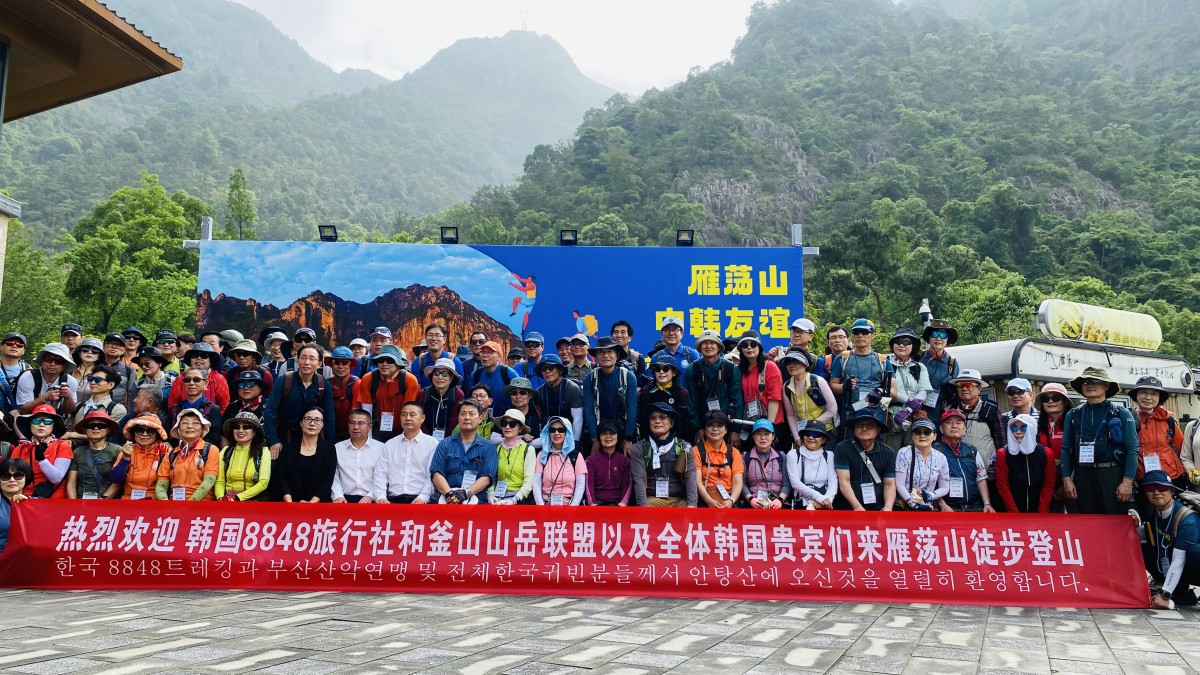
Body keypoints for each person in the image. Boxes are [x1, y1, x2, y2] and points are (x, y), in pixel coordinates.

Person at [1061, 367, 1138, 515]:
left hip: (1111, 474)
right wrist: (1067, 479)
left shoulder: (1121, 413)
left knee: (1114, 521)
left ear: (1106, 385)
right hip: (1082, 475)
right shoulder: (1073, 414)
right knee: (1086, 521)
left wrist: (1127, 482)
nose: (1089, 385)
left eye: (1095, 381)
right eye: (1085, 382)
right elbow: (1065, 448)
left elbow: (1132, 448)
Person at [1134, 470, 1200, 608]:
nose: (1156, 492)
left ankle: (1171, 590)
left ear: (1172, 491)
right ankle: (1182, 593)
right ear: (1145, 493)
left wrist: (1165, 594)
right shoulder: (1153, 510)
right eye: (1151, 488)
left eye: (1162, 488)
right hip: (1175, 562)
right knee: (1143, 549)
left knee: (1194, 551)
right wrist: (1132, 525)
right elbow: (1147, 534)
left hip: (1192, 563)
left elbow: (1179, 559)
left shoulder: (1187, 519)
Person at [265, 343, 336, 460]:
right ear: (297, 361)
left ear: (319, 364)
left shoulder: (323, 384)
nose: (307, 362)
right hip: (285, 437)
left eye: (312, 358)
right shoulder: (284, 381)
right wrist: (273, 441)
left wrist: (328, 444)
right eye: (303, 357)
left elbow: (329, 416)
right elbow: (270, 411)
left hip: (312, 438)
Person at [429, 399, 497, 504]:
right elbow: (436, 472)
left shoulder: (489, 447)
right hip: (446, 499)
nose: (467, 417)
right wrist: (449, 495)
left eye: (471, 414)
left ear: (480, 418)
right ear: (458, 418)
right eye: (463, 414)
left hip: (475, 500)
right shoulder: (444, 444)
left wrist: (465, 493)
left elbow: (487, 477)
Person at [684, 330, 743, 447]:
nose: (708, 346)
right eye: (704, 343)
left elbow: (738, 402)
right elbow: (691, 402)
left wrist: (735, 430)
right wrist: (698, 428)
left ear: (719, 346)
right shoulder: (693, 369)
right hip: (702, 426)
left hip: (726, 426)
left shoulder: (731, 369)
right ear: (700, 347)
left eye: (712, 343)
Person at [630, 402, 697, 507]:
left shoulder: (685, 447)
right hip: (653, 500)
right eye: (653, 418)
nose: (657, 421)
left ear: (672, 423)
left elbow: (690, 478)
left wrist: (692, 506)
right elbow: (639, 480)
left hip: (679, 500)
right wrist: (643, 509)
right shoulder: (639, 448)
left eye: (663, 417)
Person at [1129, 376, 1187, 491]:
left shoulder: (1168, 420)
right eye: (1143, 392)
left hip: (1171, 476)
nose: (1148, 397)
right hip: (1141, 477)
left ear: (1159, 397)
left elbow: (1181, 448)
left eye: (1154, 394)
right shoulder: (1128, 419)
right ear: (1136, 395)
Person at [582, 336, 638, 455]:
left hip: (623, 429)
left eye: (610, 351)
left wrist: (628, 438)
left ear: (617, 355)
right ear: (596, 356)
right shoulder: (589, 379)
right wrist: (594, 439)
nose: (605, 355)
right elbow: (589, 411)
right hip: (599, 430)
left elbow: (632, 409)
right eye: (601, 352)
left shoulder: (628, 377)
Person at [373, 401, 436, 504]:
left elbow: (432, 476)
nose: (407, 418)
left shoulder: (432, 444)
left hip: (421, 500)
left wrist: (423, 497)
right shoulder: (390, 444)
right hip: (392, 499)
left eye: (412, 414)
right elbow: (380, 474)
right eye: (404, 414)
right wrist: (380, 496)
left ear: (422, 418)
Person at [833, 407, 896, 511]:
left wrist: (888, 507)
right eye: (860, 425)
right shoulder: (842, 448)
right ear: (854, 428)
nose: (864, 428)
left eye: (870, 425)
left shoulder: (889, 453)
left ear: (878, 430)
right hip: (848, 507)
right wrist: (857, 507)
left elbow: (889, 484)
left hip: (878, 508)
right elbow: (844, 481)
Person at [935, 409, 996, 512]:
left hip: (975, 507)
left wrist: (987, 503)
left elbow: (981, 479)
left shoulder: (972, 450)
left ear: (964, 429)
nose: (954, 426)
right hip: (948, 508)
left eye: (959, 423)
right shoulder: (935, 451)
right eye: (949, 422)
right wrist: (942, 504)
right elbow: (929, 482)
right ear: (941, 428)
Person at [947, 369, 1005, 475]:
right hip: (956, 472)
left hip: (987, 473)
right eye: (960, 385)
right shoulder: (950, 410)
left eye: (969, 385)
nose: (964, 388)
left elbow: (1001, 442)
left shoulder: (991, 409)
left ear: (979, 388)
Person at [995, 413, 1055, 513]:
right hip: (1012, 508)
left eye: (1023, 428)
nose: (1018, 432)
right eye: (1014, 428)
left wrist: (1042, 511)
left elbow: (1049, 484)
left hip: (1039, 506)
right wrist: (1014, 513)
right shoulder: (1003, 453)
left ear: (1032, 429)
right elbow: (1003, 486)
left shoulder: (1046, 453)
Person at [155, 408, 219, 501]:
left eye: (195, 423)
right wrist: (168, 505)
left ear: (202, 429)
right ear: (178, 429)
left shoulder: (211, 450)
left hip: (202, 506)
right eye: (184, 423)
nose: (189, 426)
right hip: (174, 505)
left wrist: (189, 505)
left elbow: (209, 481)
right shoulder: (171, 454)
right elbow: (161, 485)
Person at [10, 404, 73, 497]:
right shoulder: (19, 449)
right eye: (36, 421)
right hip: (24, 500)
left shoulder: (62, 446)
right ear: (30, 424)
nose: (41, 425)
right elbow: (12, 479)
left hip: (54, 501)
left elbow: (56, 478)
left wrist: (41, 459)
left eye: (47, 421)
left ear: (54, 426)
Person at [883, 327, 931, 449]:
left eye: (906, 342)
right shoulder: (884, 363)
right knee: (891, 451)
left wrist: (908, 410)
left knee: (914, 451)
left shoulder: (919, 367)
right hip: (890, 415)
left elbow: (923, 391)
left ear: (913, 345)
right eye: (897, 341)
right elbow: (887, 389)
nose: (901, 345)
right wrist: (908, 400)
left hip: (914, 415)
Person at [276, 407, 337, 503]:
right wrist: (290, 503)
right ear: (301, 423)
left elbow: (328, 480)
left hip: (318, 505)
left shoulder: (329, 450)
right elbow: (283, 479)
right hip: (290, 504)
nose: (312, 423)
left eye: (317, 420)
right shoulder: (287, 449)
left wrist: (311, 503)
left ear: (322, 425)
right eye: (308, 419)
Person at [735, 331, 784, 447]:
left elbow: (775, 397)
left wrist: (769, 428)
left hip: (771, 422)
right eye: (745, 345)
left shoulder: (769, 366)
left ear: (759, 347)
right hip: (751, 421)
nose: (749, 348)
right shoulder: (741, 369)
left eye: (753, 344)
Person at [893, 418, 949, 511]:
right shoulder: (904, 453)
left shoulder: (941, 458)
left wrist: (930, 496)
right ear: (912, 436)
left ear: (935, 436)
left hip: (929, 507)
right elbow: (899, 484)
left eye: (927, 432)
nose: (922, 435)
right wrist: (913, 504)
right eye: (918, 432)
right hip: (905, 507)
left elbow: (945, 487)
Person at [110, 414, 170, 500]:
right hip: (128, 501)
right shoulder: (127, 450)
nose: (144, 434)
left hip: (155, 503)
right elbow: (115, 479)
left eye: (150, 431)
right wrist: (125, 458)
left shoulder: (165, 451)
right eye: (140, 430)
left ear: (157, 434)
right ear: (134, 433)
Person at [781, 352, 837, 444]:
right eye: (788, 362)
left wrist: (812, 425)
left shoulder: (818, 381)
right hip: (804, 434)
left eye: (795, 361)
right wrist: (796, 437)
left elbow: (832, 409)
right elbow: (790, 414)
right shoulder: (786, 386)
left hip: (824, 432)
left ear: (805, 364)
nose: (791, 365)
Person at [216, 412, 272, 502]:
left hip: (254, 502)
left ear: (254, 432)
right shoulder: (225, 451)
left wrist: (238, 498)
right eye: (236, 427)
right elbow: (220, 481)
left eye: (246, 427)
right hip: (227, 501)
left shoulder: (263, 451)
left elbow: (263, 482)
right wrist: (221, 498)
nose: (240, 430)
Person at [693, 410, 744, 509]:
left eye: (720, 426)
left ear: (726, 430)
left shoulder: (734, 452)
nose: (715, 429)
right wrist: (709, 501)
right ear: (705, 429)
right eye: (710, 425)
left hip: (729, 500)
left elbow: (738, 482)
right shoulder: (696, 451)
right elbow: (697, 480)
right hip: (704, 501)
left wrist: (731, 500)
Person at [332, 408, 384, 503]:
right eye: (352, 423)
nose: (356, 427)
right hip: (344, 500)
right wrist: (338, 495)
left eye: (361, 423)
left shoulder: (381, 448)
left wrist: (371, 496)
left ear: (370, 427)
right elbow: (333, 476)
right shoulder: (337, 448)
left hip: (373, 500)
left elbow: (384, 476)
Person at [66, 410, 122, 499]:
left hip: (107, 502)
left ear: (108, 429)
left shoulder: (117, 450)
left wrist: (103, 499)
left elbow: (119, 481)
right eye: (91, 426)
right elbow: (71, 483)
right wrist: (74, 504)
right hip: (81, 502)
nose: (96, 428)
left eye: (101, 426)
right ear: (84, 430)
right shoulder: (77, 452)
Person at [1035, 381, 1072, 512]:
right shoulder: (1036, 426)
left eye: (1056, 398)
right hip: (1045, 480)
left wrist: (1068, 481)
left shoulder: (1074, 423)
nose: (1050, 401)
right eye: (1046, 399)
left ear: (1065, 402)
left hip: (1070, 479)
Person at [637, 352, 691, 441]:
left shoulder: (682, 392)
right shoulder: (646, 391)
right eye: (658, 369)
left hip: (676, 438)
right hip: (650, 437)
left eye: (666, 369)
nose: (661, 372)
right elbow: (644, 418)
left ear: (674, 373)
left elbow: (682, 421)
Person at [533, 415, 587, 505]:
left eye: (561, 430)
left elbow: (580, 485)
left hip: (569, 506)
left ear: (567, 432)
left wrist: (573, 508)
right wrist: (541, 506)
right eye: (552, 430)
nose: (556, 433)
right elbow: (536, 482)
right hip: (546, 505)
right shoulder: (542, 454)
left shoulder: (576, 456)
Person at [64, 364, 126, 441]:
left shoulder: (117, 409)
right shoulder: (79, 406)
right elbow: (68, 429)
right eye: (90, 379)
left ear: (111, 385)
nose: (92, 382)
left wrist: (71, 435)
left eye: (98, 379)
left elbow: (107, 435)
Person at [14, 342, 77, 418]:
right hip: (30, 418)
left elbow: (69, 411)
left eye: (58, 361)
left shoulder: (70, 381)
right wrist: (44, 398)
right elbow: (24, 410)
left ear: (64, 365)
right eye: (48, 360)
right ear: (42, 361)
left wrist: (68, 397)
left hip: (56, 419)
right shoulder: (27, 378)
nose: (52, 364)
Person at [786, 420, 837, 509]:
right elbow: (795, 483)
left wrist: (826, 500)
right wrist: (819, 498)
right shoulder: (793, 454)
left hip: (825, 504)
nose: (811, 437)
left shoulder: (829, 455)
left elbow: (833, 482)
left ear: (824, 440)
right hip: (801, 503)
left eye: (816, 435)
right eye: (808, 434)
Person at [740, 419, 790, 509]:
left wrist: (780, 500)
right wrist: (750, 499)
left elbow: (787, 483)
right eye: (759, 434)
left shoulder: (782, 457)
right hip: (753, 503)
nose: (763, 438)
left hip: (777, 503)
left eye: (767, 434)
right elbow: (741, 483)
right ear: (753, 436)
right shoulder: (745, 457)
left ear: (773, 436)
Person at [166, 342, 230, 413]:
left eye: (204, 356)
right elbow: (172, 405)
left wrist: (213, 418)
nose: (199, 358)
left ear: (211, 360)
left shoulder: (219, 379)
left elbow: (224, 406)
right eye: (195, 355)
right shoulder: (180, 379)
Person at [167, 367, 223, 447]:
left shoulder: (212, 409)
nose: (191, 383)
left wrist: (192, 448)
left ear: (206, 383)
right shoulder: (175, 409)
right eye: (187, 380)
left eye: (196, 380)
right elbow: (168, 434)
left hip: (202, 451)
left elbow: (214, 436)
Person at [490, 409, 536, 504]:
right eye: (504, 423)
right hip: (498, 498)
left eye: (512, 424)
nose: (507, 427)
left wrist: (514, 500)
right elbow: (492, 476)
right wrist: (490, 494)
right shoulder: (499, 448)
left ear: (520, 428)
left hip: (519, 500)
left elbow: (529, 481)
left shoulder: (528, 449)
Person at [534, 355, 584, 440]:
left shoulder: (571, 388)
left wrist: (575, 442)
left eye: (551, 368)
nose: (547, 371)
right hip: (550, 436)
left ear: (560, 370)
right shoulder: (540, 392)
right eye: (544, 369)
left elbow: (578, 419)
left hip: (571, 435)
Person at [464, 341, 519, 416]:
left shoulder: (508, 373)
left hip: (505, 418)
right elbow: (470, 399)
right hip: (481, 418)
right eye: (483, 352)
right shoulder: (476, 374)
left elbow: (520, 395)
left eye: (489, 353)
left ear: (498, 356)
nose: (485, 355)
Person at [586, 419, 632, 506]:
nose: (608, 436)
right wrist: (592, 503)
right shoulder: (590, 460)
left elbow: (627, 484)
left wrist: (623, 503)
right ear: (599, 437)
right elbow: (589, 484)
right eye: (604, 433)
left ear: (617, 436)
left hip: (618, 504)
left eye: (611, 433)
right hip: (597, 504)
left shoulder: (625, 461)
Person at [919, 319, 961, 413]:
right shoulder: (918, 358)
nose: (938, 338)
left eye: (943, 335)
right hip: (917, 411)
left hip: (942, 413)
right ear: (929, 337)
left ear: (947, 339)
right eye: (934, 334)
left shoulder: (952, 363)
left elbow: (957, 391)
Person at [416, 357, 463, 441]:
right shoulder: (423, 394)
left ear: (452, 377)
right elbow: (419, 420)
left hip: (449, 440)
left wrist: (444, 441)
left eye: (445, 374)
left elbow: (454, 422)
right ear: (432, 376)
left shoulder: (458, 395)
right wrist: (429, 440)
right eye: (436, 373)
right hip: (425, 440)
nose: (440, 377)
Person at [412, 323, 463, 388]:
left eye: (437, 335)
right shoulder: (418, 363)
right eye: (430, 335)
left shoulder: (454, 361)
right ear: (426, 338)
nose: (433, 338)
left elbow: (457, 388)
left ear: (444, 340)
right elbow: (417, 389)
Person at [325, 346, 360, 442]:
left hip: (349, 434)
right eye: (336, 362)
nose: (340, 367)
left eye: (345, 362)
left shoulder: (356, 384)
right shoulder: (325, 384)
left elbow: (355, 414)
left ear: (351, 365)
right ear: (331, 365)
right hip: (328, 432)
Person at [0, 457, 31, 553]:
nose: (12, 480)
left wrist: (28, 507)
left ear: (26, 478)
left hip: (27, 558)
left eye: (18, 475)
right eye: (6, 476)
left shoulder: (35, 504)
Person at [224, 370, 268, 438]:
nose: (246, 388)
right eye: (241, 385)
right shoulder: (232, 407)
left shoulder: (269, 406)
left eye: (251, 384)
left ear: (261, 388)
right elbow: (223, 433)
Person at [502, 377, 542, 446]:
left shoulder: (539, 412)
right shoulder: (504, 413)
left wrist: (521, 446)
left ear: (530, 395)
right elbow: (494, 439)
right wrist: (520, 438)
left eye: (523, 392)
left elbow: (546, 440)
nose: (518, 396)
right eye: (514, 393)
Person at [0, 332, 30, 421]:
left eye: (20, 345)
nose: (14, 346)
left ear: (24, 351)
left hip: (23, 416)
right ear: (1, 347)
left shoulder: (28, 371)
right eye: (10, 343)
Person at [69, 337, 102, 405]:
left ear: (99, 356)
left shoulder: (102, 375)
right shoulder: (69, 370)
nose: (89, 352)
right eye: (85, 349)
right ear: (79, 353)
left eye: (95, 351)